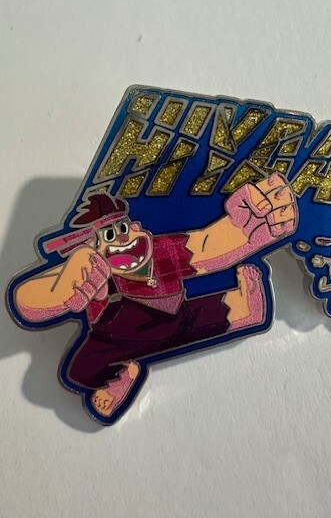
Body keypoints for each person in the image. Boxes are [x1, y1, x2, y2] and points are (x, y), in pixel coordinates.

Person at [14, 172, 297, 417]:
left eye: (122, 229)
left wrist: (241, 227)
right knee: (80, 370)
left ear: (135, 227)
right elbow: (27, 298)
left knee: (194, 319)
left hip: (173, 317)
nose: (122, 240)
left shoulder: (159, 251)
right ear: (93, 247)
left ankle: (242, 308)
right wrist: (62, 287)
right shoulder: (89, 269)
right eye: (109, 237)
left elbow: (204, 246)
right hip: (115, 338)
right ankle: (120, 378)